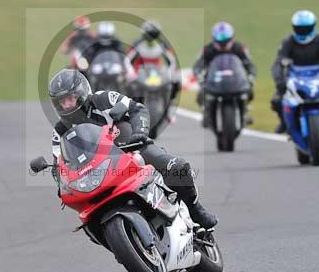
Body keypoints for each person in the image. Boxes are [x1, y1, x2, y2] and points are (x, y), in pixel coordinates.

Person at [48, 69, 218, 229]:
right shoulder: (60, 130)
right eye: (62, 101)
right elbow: (58, 163)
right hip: (96, 172)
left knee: (176, 168)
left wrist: (139, 133)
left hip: (130, 149)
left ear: (82, 93)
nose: (67, 105)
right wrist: (61, 182)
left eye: (71, 98)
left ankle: (196, 210)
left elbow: (137, 109)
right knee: (85, 215)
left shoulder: (103, 99)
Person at [270, 10, 319, 134]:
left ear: (313, 26)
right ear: (294, 28)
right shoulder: (288, 42)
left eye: (306, 28)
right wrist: (279, 81)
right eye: (300, 28)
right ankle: (284, 122)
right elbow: (278, 64)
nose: (303, 31)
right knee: (277, 100)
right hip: (295, 75)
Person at [192, 21, 257, 127]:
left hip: (235, 80)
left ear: (232, 38)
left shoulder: (240, 48)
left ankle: (244, 111)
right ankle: (206, 111)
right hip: (214, 80)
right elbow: (198, 65)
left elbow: (250, 64)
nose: (223, 44)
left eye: (226, 41)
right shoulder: (207, 49)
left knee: (249, 90)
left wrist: (251, 76)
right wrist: (199, 76)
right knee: (201, 94)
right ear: (214, 39)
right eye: (219, 41)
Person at [126, 20, 181, 101]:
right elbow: (128, 59)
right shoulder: (138, 43)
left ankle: (171, 100)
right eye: (148, 34)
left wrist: (171, 72)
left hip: (157, 70)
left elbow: (171, 60)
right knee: (128, 83)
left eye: (154, 35)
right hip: (140, 70)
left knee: (176, 80)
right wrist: (130, 71)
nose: (150, 38)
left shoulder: (162, 44)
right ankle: (130, 102)